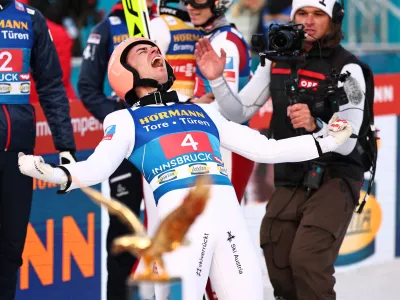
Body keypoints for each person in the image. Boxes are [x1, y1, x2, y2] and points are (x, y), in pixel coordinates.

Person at [19, 37, 352, 300]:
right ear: (125, 73)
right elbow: (95, 169)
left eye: (154, 48)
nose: (154, 51)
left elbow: (266, 149)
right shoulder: (124, 120)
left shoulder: (204, 112)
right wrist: (53, 174)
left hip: (229, 223)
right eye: (142, 51)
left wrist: (327, 142)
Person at [195, 0, 374, 299]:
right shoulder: (274, 60)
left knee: (307, 260)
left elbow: (350, 137)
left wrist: (317, 124)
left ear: (334, 20)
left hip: (336, 175)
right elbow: (237, 112)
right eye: (302, 13)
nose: (309, 21)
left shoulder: (350, 68)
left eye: (318, 14)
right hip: (291, 174)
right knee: (277, 257)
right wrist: (217, 80)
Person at [77, 2, 159, 299]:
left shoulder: (169, 21)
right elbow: (87, 88)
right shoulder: (108, 27)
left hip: (169, 140)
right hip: (128, 145)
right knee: (124, 228)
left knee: (172, 225)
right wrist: (123, 120)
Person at [0, 1, 76, 299]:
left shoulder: (29, 17)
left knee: (10, 249)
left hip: (17, 153)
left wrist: (65, 145)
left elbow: (51, 84)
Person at [184, 0, 255, 205]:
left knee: (224, 228)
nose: (190, 7)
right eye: (186, 1)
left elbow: (226, 106)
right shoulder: (215, 36)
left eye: (197, 1)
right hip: (219, 144)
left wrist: (191, 108)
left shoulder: (224, 42)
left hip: (228, 147)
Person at [150, 0, 201, 98]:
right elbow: (155, 78)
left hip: (201, 102)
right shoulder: (160, 24)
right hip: (172, 105)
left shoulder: (209, 27)